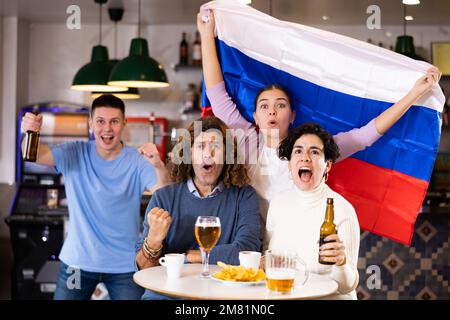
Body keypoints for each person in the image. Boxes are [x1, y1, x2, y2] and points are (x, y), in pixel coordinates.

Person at [197, 10, 442, 228]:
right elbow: (217, 93)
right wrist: (206, 36)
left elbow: (366, 135)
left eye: (280, 105)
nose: (271, 111)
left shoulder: (311, 149)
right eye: (264, 106)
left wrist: (413, 94)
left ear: (292, 115)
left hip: (295, 239)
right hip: (248, 238)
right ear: (255, 116)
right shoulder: (245, 139)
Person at [21, 94, 170, 300]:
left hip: (125, 266)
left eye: (114, 121)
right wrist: (30, 132)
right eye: (100, 121)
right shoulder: (74, 152)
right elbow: (33, 155)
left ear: (124, 123)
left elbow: (164, 194)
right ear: (91, 123)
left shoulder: (138, 160)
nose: (107, 129)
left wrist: (158, 164)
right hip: (78, 263)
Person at [135, 116, 261, 300]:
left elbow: (246, 251)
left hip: (222, 296)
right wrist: (153, 241)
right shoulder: (163, 198)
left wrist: (188, 256)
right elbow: (144, 269)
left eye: (216, 146)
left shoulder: (244, 196)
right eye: (201, 146)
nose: (208, 154)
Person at [266, 123, 359, 299]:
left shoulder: (342, 209)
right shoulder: (278, 203)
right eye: (298, 151)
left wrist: (341, 263)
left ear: (328, 166)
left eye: (315, 152)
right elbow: (269, 260)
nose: (305, 158)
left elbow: (348, 286)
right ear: (289, 163)